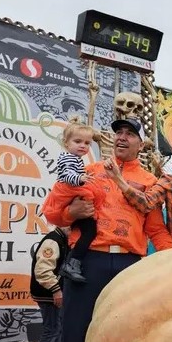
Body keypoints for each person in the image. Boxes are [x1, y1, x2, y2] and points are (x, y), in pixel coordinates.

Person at [42, 117, 172, 342]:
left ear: (141, 143)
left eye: (130, 133)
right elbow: (51, 212)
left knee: (132, 338)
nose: (122, 137)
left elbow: (157, 231)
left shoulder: (149, 181)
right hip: (86, 263)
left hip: (130, 266)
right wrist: (71, 213)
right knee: (73, 335)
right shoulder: (88, 170)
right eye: (119, 133)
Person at [42, 118, 106, 283]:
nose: (83, 146)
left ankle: (72, 262)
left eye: (87, 143)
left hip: (71, 195)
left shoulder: (75, 159)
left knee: (87, 226)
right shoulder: (68, 158)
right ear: (66, 142)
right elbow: (68, 175)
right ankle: (72, 263)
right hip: (69, 192)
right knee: (90, 230)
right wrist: (80, 178)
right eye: (78, 141)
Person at [29, 227, 68, 342]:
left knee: (56, 329)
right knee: (51, 330)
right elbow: (42, 270)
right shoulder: (53, 240)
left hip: (49, 293)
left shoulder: (61, 239)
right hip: (48, 294)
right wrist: (56, 290)